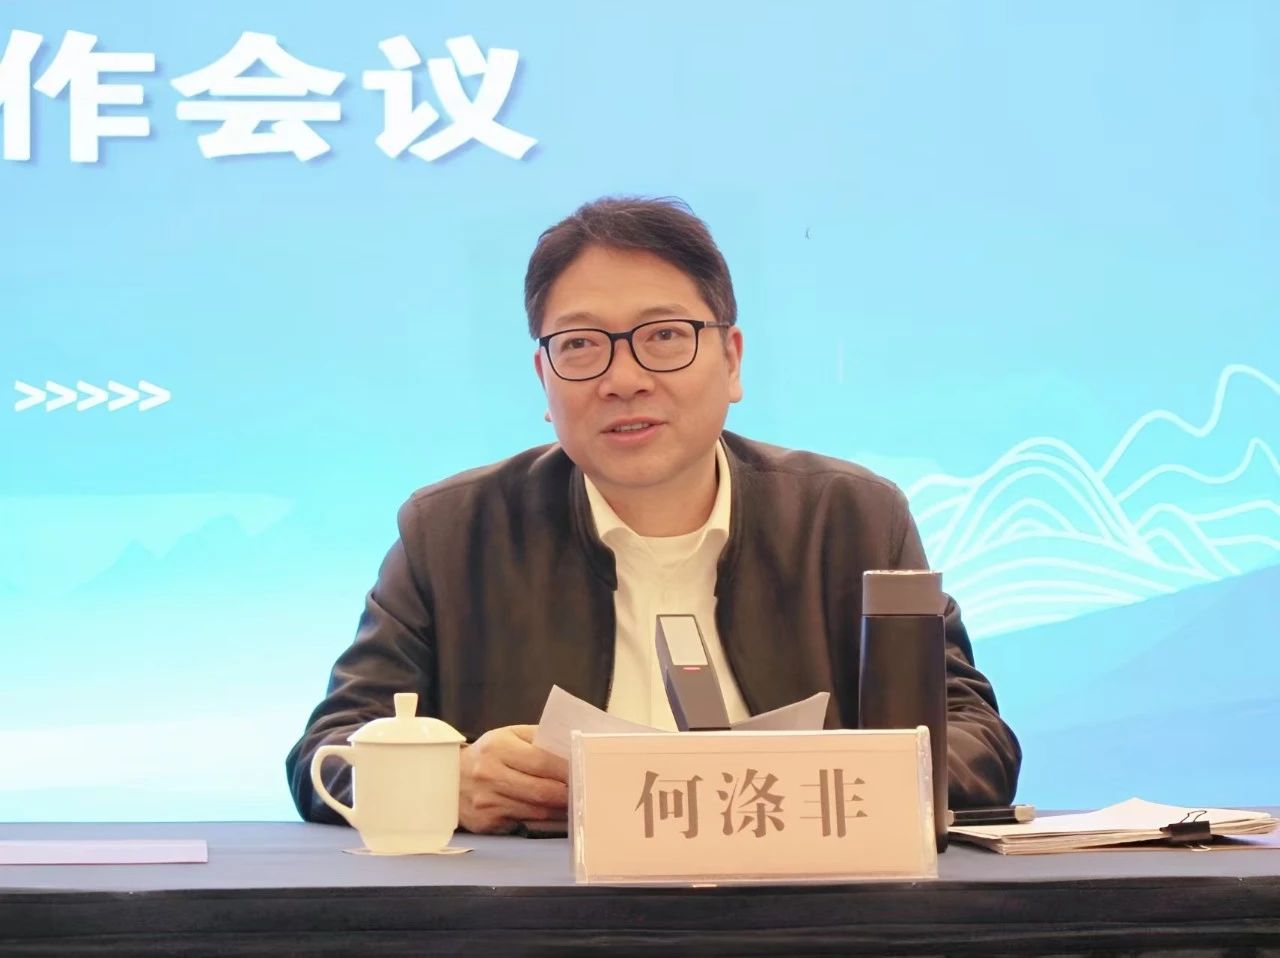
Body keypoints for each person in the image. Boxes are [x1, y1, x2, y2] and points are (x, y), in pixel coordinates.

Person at [285, 197, 1021, 833]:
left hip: (804, 914)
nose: (624, 378)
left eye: (664, 336)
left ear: (731, 361)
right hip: (545, 923)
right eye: (581, 345)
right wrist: (444, 783)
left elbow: (976, 743)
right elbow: (329, 752)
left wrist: (819, 781)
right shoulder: (452, 534)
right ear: (545, 380)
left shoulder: (851, 519)